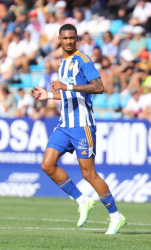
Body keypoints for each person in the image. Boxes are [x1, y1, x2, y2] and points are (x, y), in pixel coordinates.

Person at [31, 24, 126, 234]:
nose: (68, 42)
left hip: (82, 125)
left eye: (72, 38)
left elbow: (99, 87)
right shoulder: (62, 63)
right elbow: (67, 94)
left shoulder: (83, 60)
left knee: (88, 174)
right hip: (64, 124)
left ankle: (116, 216)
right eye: (65, 38)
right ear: (59, 39)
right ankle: (83, 200)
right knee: (47, 165)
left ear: (76, 39)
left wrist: (69, 87)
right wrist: (47, 95)